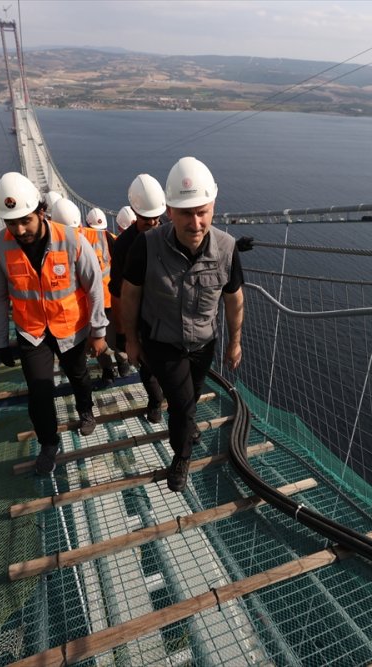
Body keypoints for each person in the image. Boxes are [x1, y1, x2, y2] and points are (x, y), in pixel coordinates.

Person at [121, 158, 244, 492]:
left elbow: (234, 299)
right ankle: (181, 455)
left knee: (191, 396)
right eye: (186, 213)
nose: (196, 222)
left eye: (202, 212)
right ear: (170, 211)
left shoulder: (227, 249)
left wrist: (235, 342)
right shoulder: (146, 246)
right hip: (163, 343)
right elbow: (130, 295)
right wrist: (131, 340)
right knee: (181, 404)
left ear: (213, 207)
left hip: (203, 344)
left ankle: (186, 427)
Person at [0, 172, 109, 475]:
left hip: (71, 328)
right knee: (39, 392)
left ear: (41, 212)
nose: (19, 229)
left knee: (79, 376)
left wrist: (98, 332)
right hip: (32, 333)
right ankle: (48, 442)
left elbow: (94, 286)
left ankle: (85, 410)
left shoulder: (71, 240)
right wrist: (1, 341)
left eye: (25, 220)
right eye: (11, 223)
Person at [108, 174, 168, 423]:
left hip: (171, 313)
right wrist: (123, 333)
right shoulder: (123, 245)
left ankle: (184, 416)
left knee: (177, 367)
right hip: (143, 317)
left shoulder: (173, 230)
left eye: (157, 217)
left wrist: (230, 248)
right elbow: (117, 291)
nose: (153, 222)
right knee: (148, 365)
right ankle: (156, 401)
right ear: (135, 212)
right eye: (146, 218)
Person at [82, 207, 121, 385]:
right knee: (116, 336)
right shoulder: (114, 239)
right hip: (112, 298)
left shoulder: (79, 238)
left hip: (91, 302)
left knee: (98, 338)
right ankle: (123, 364)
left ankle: (108, 371)